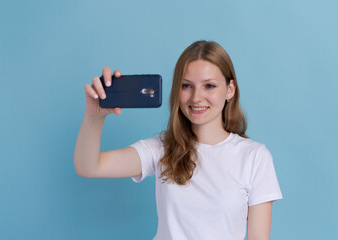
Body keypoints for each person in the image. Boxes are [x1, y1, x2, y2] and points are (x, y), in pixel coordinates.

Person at [74, 40, 283, 240]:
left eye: (209, 86)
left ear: (230, 89)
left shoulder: (255, 157)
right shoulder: (161, 148)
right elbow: (89, 167)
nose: (196, 97)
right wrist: (94, 116)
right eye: (186, 86)